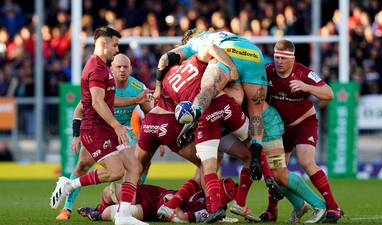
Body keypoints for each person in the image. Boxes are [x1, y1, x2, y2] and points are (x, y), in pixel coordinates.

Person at [154, 28, 282, 221]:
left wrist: (156, 88)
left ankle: (194, 114)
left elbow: (166, 59)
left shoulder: (192, 47)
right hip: (253, 55)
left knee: (209, 91)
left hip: (214, 100)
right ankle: (243, 193)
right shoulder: (219, 35)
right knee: (252, 114)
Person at [49, 26, 147, 225]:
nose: (117, 49)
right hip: (95, 130)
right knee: (115, 171)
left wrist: (134, 100)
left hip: (106, 129)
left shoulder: (104, 67)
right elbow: (96, 102)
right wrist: (117, 126)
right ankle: (69, 186)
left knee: (134, 166)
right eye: (115, 45)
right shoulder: (95, 68)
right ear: (103, 44)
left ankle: (123, 215)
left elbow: (108, 101)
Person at [265, 39, 343, 223]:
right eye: (276, 57)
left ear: (292, 59)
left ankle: (333, 207)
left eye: (283, 58)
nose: (279, 62)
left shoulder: (303, 73)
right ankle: (273, 210)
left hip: (303, 124)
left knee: (305, 161)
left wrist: (307, 87)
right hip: (280, 130)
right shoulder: (267, 71)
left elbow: (329, 93)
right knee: (276, 172)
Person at [76, 177, 238, 223]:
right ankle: (98, 209)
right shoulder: (203, 189)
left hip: (152, 210)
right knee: (109, 191)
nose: (212, 187)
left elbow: (183, 218)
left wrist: (173, 206)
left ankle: (97, 215)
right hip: (152, 192)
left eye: (216, 188)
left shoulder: (207, 210)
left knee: (117, 212)